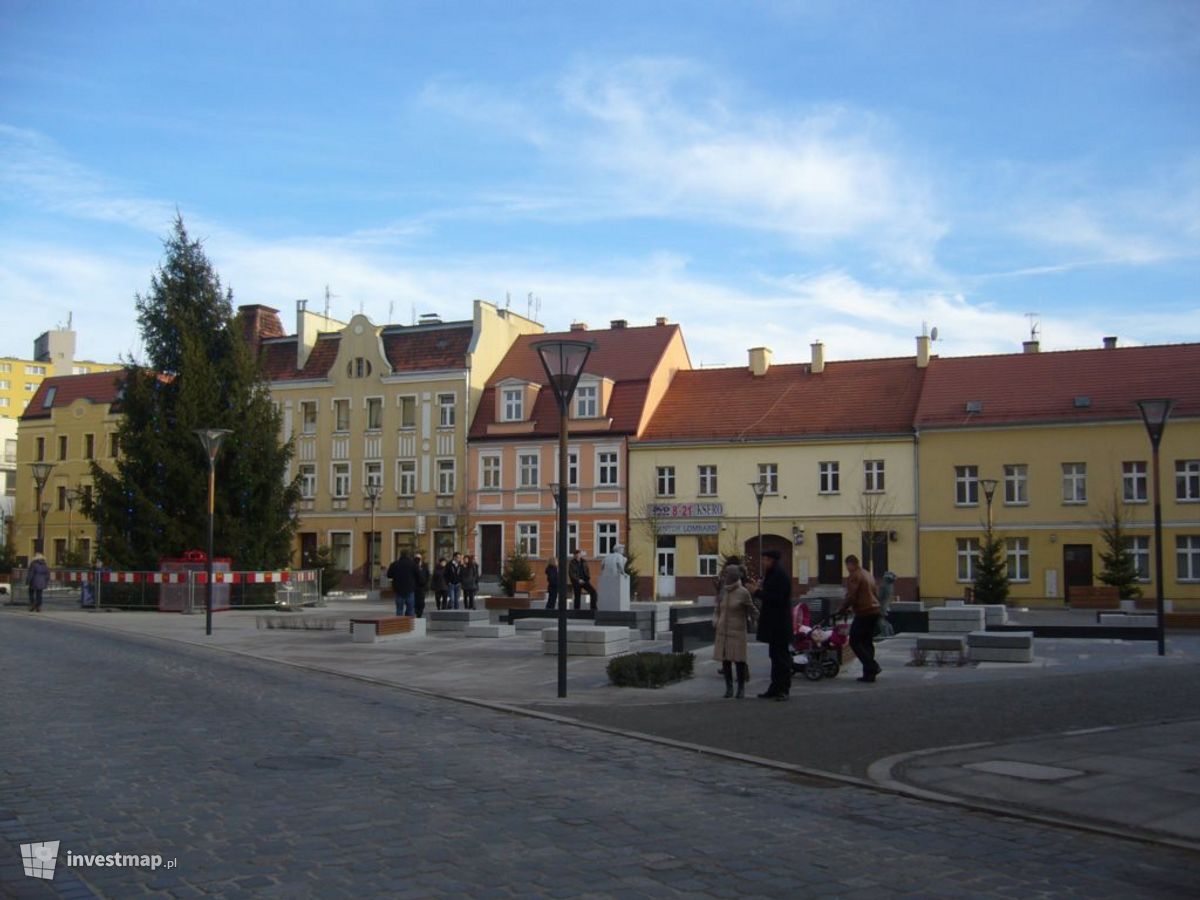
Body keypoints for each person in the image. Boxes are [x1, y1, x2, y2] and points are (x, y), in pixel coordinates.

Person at [713, 563, 758, 699]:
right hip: (723, 631)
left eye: (727, 574)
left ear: (733, 576)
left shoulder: (743, 592)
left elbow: (752, 609)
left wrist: (761, 620)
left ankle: (741, 689)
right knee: (725, 661)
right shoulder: (723, 591)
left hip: (737, 631)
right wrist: (715, 620)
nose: (724, 577)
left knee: (739, 661)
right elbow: (717, 609)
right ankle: (729, 688)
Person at [753, 549, 793, 701]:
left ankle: (783, 689)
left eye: (765, 560)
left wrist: (757, 592)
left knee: (781, 659)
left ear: (772, 561)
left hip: (779, 624)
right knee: (775, 657)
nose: (763, 562)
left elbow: (776, 598)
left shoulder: (779, 576)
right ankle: (775, 688)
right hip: (774, 624)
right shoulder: (772, 574)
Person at [836, 554, 883, 683]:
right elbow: (874, 592)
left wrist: (842, 609)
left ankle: (872, 666)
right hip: (874, 610)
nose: (847, 569)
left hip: (864, 611)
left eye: (847, 566)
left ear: (850, 564)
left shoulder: (855, 575)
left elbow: (851, 596)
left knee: (855, 641)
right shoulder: (867, 573)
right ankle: (869, 675)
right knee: (867, 642)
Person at [385, 551, 416, 617]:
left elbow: (389, 575)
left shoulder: (394, 564)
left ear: (400, 555)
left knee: (399, 610)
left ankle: (399, 625)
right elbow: (418, 575)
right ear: (408, 555)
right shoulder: (413, 564)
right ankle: (410, 624)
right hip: (410, 589)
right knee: (410, 609)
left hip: (398, 590)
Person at [876, 570, 896, 638]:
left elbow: (879, 596)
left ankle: (883, 633)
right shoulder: (891, 586)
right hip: (887, 605)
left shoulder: (883, 585)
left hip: (882, 605)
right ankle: (890, 631)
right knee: (884, 619)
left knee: (880, 620)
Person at [413, 553, 430, 617]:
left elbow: (427, 574)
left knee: (421, 601)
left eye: (419, 558)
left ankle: (420, 612)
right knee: (415, 600)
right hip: (415, 586)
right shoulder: (413, 565)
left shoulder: (424, 566)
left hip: (422, 587)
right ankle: (416, 611)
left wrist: (426, 583)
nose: (418, 559)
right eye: (417, 558)